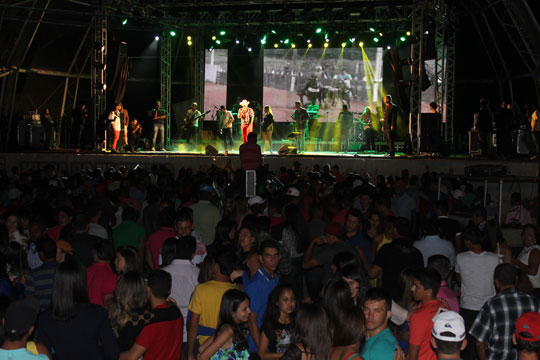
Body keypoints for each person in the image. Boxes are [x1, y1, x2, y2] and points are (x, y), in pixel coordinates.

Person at [35, 260, 119, 360]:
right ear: (82, 282)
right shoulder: (97, 313)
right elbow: (112, 353)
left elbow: (43, 355)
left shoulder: (45, 318)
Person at [469, 264, 540, 360]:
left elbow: (479, 342)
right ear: (516, 279)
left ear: (497, 283)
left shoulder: (492, 304)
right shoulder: (534, 302)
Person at [455, 226, 501, 360]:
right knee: (487, 342)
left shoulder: (461, 258)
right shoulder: (494, 258)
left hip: (468, 307)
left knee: (469, 345)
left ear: (468, 242)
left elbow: (459, 280)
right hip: (489, 307)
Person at [119, 270, 184, 360]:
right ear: (169, 291)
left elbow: (132, 356)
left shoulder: (151, 324)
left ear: (148, 290)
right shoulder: (177, 315)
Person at [187, 251, 237, 360]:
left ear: (216, 268)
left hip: (204, 344)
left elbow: (193, 324)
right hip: (228, 345)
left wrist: (190, 352)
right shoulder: (236, 290)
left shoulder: (201, 289)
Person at [242, 240, 281, 352]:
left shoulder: (275, 279)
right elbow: (251, 319)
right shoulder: (255, 284)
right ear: (261, 259)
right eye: (268, 256)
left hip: (272, 340)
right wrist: (261, 349)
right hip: (259, 345)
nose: (273, 260)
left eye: (276, 255)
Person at [162, 236, 199, 351]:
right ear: (193, 254)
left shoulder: (163, 272)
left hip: (169, 326)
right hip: (192, 328)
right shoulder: (198, 273)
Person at [407, 268, 449, 360]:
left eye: (416, 286)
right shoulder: (445, 307)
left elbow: (412, 355)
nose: (412, 289)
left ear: (429, 292)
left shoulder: (418, 316)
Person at [198, 289, 251, 360]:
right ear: (233, 313)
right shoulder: (228, 331)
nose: (249, 311)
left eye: (248, 307)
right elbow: (202, 357)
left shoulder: (227, 328)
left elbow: (202, 348)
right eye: (244, 309)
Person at [258, 285, 297, 360]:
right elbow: (261, 354)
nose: (290, 303)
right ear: (277, 302)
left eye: (292, 299)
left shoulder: (298, 321)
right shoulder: (270, 324)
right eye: (285, 300)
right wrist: (284, 354)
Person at [361, 288, 400, 360]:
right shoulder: (367, 337)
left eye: (377, 311)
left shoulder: (382, 347)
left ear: (388, 314)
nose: (370, 316)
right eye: (366, 309)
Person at [25, 237, 58, 311]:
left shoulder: (34, 274)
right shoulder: (66, 271)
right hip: (65, 315)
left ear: (41, 254)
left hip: (42, 315)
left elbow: (29, 300)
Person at [86, 239, 118, 307]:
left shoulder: (86, 271)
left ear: (96, 254)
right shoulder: (111, 276)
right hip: (100, 315)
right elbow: (108, 304)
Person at [513, 224, 540, 297]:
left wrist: (518, 263)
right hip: (526, 288)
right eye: (524, 233)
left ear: (535, 238)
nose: (525, 236)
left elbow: (533, 271)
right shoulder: (526, 249)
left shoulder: (535, 250)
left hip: (533, 289)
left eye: (529, 234)